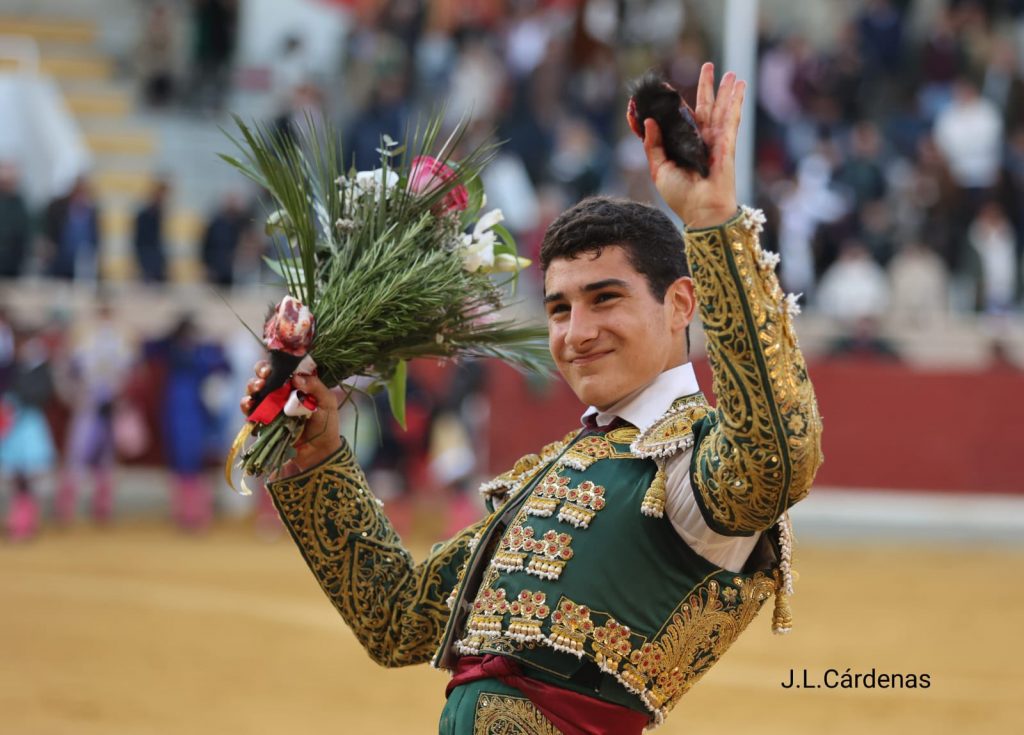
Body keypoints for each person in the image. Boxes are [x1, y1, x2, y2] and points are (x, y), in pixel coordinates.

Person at [240, 63, 823, 733]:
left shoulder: (693, 467)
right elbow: (396, 618)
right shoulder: (554, 472)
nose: (577, 332)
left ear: (680, 304)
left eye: (605, 298)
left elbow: (778, 450)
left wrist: (714, 223)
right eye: (558, 309)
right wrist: (319, 456)